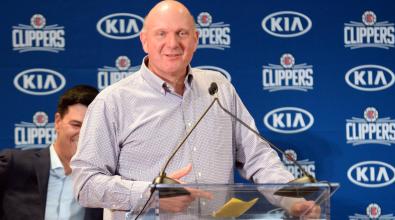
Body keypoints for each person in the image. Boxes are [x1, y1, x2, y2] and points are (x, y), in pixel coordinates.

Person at [71, 1, 320, 219]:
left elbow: (257, 157)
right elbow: (86, 184)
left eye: (182, 33)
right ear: (144, 41)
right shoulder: (113, 102)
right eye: (161, 34)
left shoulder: (219, 88)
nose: (173, 43)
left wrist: (291, 200)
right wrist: (151, 195)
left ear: (195, 39)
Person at [0, 85, 102, 220]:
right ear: (57, 121)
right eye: (76, 125)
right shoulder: (14, 164)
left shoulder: (102, 181)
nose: (83, 134)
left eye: (90, 127)